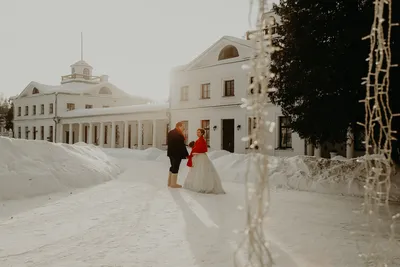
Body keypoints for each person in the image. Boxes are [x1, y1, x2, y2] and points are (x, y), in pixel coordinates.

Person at [184, 128, 225, 194]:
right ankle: (198, 185)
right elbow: (196, 148)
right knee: (197, 170)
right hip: (198, 157)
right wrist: (193, 150)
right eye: (197, 132)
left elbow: (204, 149)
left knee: (202, 170)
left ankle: (203, 186)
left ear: (202, 133)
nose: (198, 133)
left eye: (199, 132)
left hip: (202, 157)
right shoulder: (198, 140)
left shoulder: (202, 140)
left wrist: (195, 150)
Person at [167, 122, 189, 188]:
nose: (184, 128)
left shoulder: (171, 132)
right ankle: (173, 184)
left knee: (172, 166)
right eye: (183, 126)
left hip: (171, 153)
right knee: (175, 167)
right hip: (177, 153)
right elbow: (181, 145)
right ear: (179, 126)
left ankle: (170, 182)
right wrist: (186, 154)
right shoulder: (178, 134)